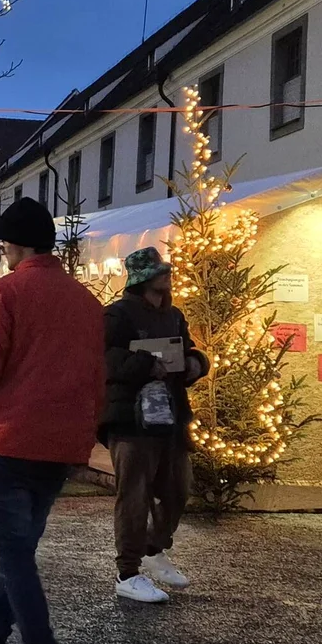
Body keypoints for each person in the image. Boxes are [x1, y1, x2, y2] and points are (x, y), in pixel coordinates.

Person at [0, 197, 105, 644]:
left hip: (12, 438)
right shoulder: (86, 303)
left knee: (15, 555)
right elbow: (96, 377)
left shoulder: (6, 295)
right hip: (59, 443)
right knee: (19, 551)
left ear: (10, 245)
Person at [102, 247, 211, 605]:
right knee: (133, 494)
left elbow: (189, 349)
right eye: (161, 272)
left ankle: (153, 545)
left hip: (170, 416)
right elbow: (106, 361)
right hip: (130, 420)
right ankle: (128, 572)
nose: (168, 276)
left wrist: (196, 363)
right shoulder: (116, 315)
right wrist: (146, 365)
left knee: (179, 487)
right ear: (143, 279)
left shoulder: (174, 315)